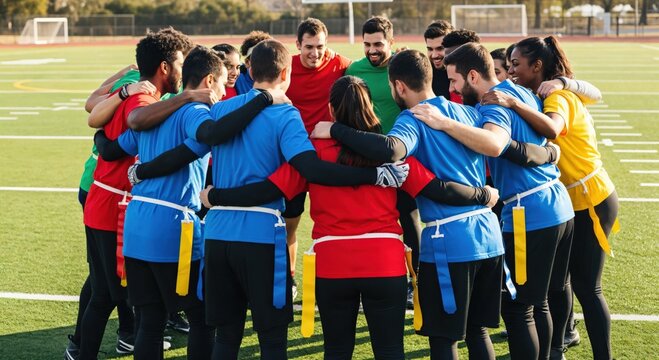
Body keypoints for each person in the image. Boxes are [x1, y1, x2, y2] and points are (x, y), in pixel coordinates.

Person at [204, 75, 499, 359]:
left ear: (331, 109)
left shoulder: (312, 153)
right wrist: (484, 195)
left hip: (333, 265)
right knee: (390, 351)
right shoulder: (392, 151)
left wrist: (216, 196)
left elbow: (269, 188)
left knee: (336, 352)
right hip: (384, 263)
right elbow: (438, 189)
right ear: (369, 106)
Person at [189, 39, 407, 359]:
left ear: (249, 69)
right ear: (286, 72)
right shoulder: (286, 115)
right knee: (273, 340)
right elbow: (303, 171)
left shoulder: (220, 109)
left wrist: (215, 195)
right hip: (262, 236)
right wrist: (373, 175)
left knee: (225, 336)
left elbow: (197, 153)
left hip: (219, 233)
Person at [312, 50, 508, 360]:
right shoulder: (468, 113)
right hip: (488, 236)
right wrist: (485, 195)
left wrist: (334, 130)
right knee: (477, 332)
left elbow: (393, 150)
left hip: (449, 241)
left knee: (444, 340)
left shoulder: (412, 120)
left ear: (399, 87)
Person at [411, 43, 575, 360]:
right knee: (538, 301)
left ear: (473, 75)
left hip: (531, 213)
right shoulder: (519, 91)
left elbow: (494, 143)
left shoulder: (493, 106)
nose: (453, 89)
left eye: (455, 81)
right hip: (557, 204)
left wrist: (443, 122)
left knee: (519, 309)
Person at [488, 36, 619, 359]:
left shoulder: (556, 96)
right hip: (568, 202)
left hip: (590, 199)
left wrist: (514, 103)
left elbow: (552, 129)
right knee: (558, 286)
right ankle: (557, 349)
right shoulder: (544, 91)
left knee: (588, 287)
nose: (511, 72)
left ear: (538, 66)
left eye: (516, 65)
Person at [78, 28, 195, 360]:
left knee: (105, 295)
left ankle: (85, 350)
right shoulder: (143, 102)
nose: (182, 71)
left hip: (106, 200)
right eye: (179, 63)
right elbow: (114, 144)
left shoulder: (143, 96)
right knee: (115, 295)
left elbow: (103, 131)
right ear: (163, 67)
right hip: (111, 204)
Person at [65, 67, 156, 360]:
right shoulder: (139, 90)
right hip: (107, 195)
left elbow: (108, 138)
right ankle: (109, 340)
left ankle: (110, 340)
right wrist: (125, 87)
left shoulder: (169, 96)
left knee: (106, 287)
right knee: (113, 288)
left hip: (111, 194)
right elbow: (93, 110)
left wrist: (103, 141)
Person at [346, 16, 423, 309]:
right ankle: (380, 280)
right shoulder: (354, 70)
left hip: (406, 159)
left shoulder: (403, 66)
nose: (372, 50)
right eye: (367, 44)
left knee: (411, 222)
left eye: (378, 44)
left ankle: (418, 283)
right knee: (376, 225)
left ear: (391, 42)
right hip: (370, 160)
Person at [284, 17, 352, 300]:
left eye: (320, 46)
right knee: (289, 223)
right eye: (309, 47)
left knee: (340, 224)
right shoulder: (285, 67)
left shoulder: (341, 66)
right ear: (298, 45)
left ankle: (347, 278)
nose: (315, 53)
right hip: (293, 158)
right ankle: (288, 280)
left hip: (329, 158)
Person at [423, 20, 460, 103]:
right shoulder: (423, 74)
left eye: (440, 48)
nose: (434, 55)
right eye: (430, 49)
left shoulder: (464, 73)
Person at [235, 30, 273, 95]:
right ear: (247, 62)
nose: (264, 61)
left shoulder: (277, 78)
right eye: (258, 58)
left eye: (268, 57)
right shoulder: (237, 78)